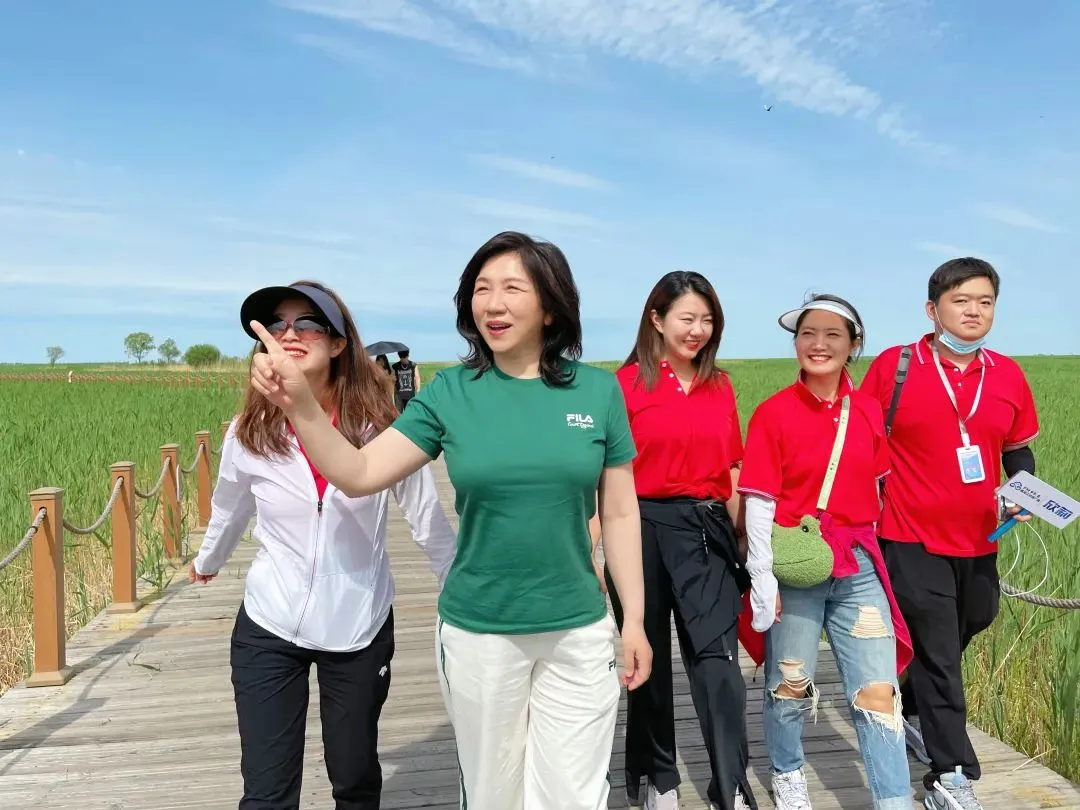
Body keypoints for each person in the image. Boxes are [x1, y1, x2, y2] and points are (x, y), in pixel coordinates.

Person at [245, 231, 653, 810]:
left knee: (575, 796)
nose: (493, 304)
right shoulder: (450, 393)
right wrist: (302, 407)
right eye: (482, 290)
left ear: (551, 306)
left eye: (512, 288)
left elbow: (619, 511)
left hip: (579, 628)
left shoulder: (598, 391)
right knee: (492, 795)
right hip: (480, 630)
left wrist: (633, 620)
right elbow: (360, 471)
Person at [188, 280, 458, 810]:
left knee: (354, 779)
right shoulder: (248, 431)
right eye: (278, 324)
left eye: (309, 323)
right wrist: (208, 559)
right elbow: (230, 505)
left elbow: (425, 516)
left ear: (338, 344)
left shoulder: (380, 428)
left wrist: (457, 586)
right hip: (270, 620)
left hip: (358, 623)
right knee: (266, 792)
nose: (290, 333)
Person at [860, 258, 1039, 810]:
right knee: (939, 650)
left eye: (985, 302)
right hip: (908, 534)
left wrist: (1023, 490)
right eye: (961, 300)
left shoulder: (1007, 374)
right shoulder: (896, 367)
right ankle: (951, 774)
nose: (974, 311)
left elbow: (1017, 450)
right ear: (932, 309)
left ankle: (912, 704)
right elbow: (860, 441)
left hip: (980, 536)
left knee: (976, 618)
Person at [738, 294, 914, 810]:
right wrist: (762, 576)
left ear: (853, 344)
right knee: (790, 683)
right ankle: (787, 772)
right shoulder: (773, 413)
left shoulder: (867, 411)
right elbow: (759, 503)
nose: (819, 344)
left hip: (858, 566)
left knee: (878, 692)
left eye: (833, 334)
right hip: (798, 568)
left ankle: (894, 800)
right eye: (807, 334)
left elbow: (881, 487)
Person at [596, 271, 756, 810]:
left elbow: (731, 467)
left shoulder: (720, 385)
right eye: (687, 318)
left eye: (707, 320)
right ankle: (659, 779)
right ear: (656, 319)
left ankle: (729, 786)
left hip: (706, 530)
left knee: (719, 664)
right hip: (638, 526)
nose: (698, 330)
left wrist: (747, 539)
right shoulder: (623, 386)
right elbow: (604, 476)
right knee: (648, 660)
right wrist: (591, 547)